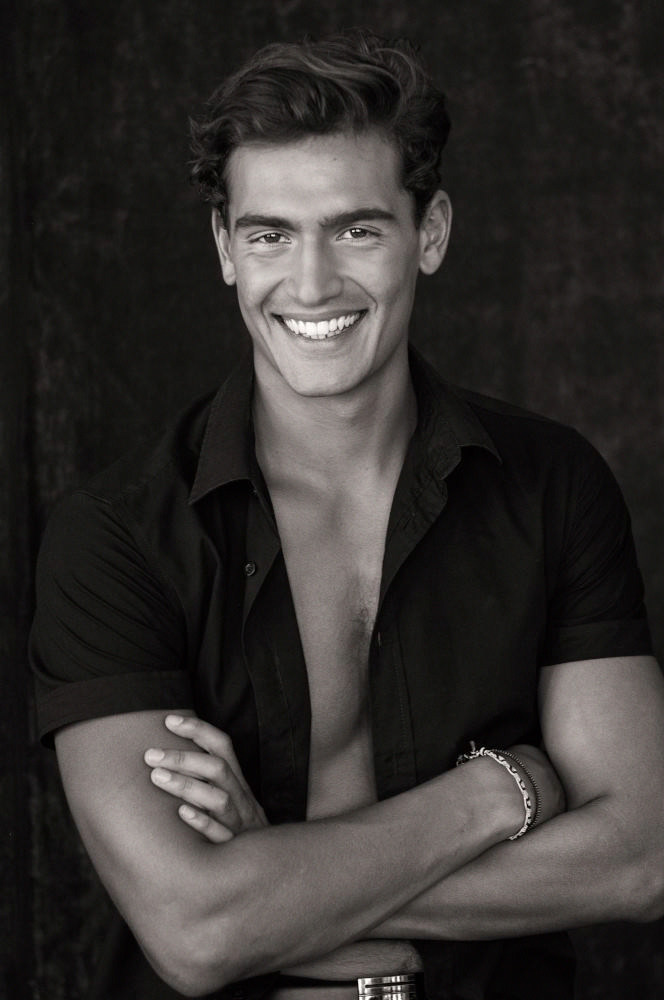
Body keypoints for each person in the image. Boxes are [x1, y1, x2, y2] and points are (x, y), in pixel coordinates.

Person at [29, 29, 664, 1000]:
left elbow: (640, 858)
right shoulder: (116, 531)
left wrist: (276, 879)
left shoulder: (550, 481)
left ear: (432, 231)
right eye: (269, 233)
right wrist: (503, 791)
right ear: (224, 251)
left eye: (357, 229)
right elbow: (197, 929)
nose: (313, 283)